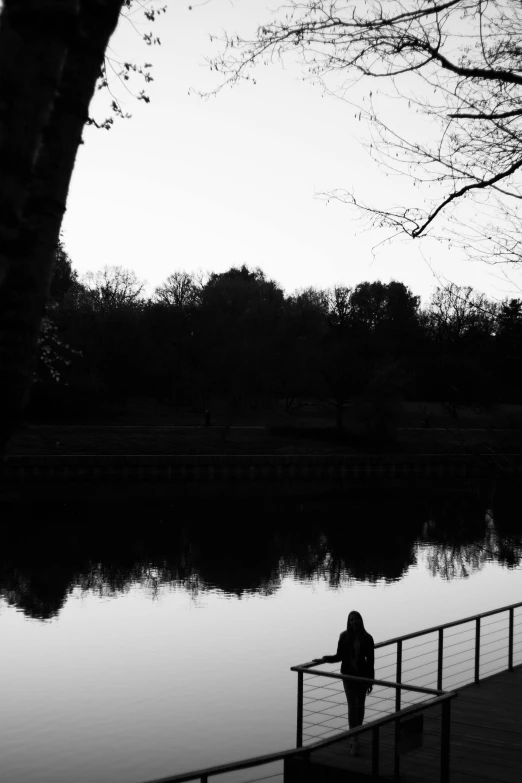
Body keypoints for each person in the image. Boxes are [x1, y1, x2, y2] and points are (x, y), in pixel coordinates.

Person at [314, 611, 375, 756]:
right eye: (351, 620)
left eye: (356, 619)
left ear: (361, 621)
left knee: (360, 705)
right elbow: (338, 656)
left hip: (361, 676)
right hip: (347, 675)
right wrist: (324, 659)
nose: (354, 622)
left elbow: (370, 662)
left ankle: (357, 733)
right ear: (349, 622)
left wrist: (370, 680)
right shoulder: (344, 636)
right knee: (352, 705)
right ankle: (354, 738)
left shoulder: (367, 638)